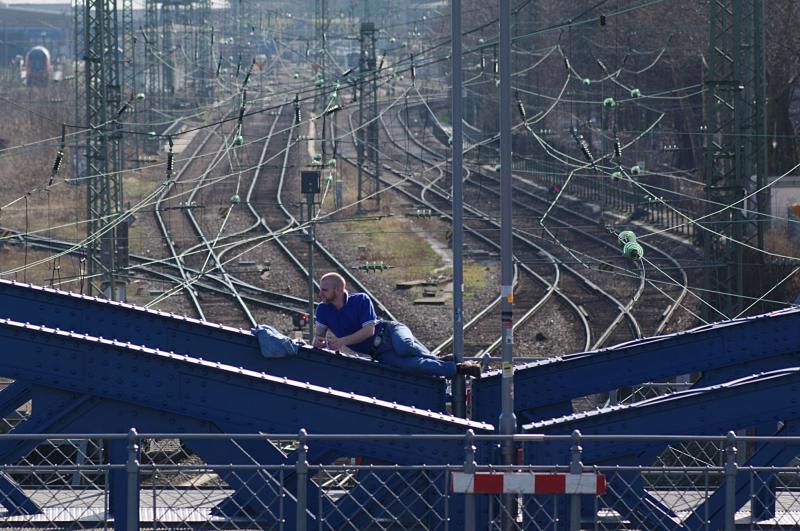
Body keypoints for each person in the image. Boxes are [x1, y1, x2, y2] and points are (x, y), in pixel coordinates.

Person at [312, 272, 481, 378]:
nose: (320, 294)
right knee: (410, 365)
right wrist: (319, 343)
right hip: (378, 352)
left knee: (404, 348)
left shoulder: (360, 300)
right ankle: (458, 369)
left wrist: (341, 342)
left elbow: (369, 331)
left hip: (390, 331)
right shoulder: (322, 310)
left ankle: (444, 363)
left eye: (324, 290)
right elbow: (318, 338)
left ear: (338, 290)